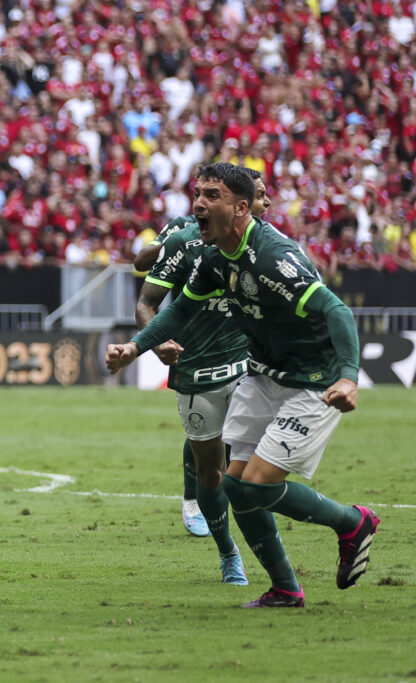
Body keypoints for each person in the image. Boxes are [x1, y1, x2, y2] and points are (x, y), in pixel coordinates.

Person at [107, 163, 379, 608]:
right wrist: (136, 348)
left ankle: (352, 522)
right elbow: (178, 312)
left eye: (211, 195)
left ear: (239, 208)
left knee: (257, 488)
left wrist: (349, 377)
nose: (198, 203)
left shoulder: (274, 257)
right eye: (198, 193)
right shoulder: (213, 255)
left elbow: (338, 313)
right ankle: (286, 588)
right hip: (262, 374)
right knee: (234, 486)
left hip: (313, 381)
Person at [133, 167, 271, 587]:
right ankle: (228, 552)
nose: (200, 202)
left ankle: (276, 564)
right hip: (197, 370)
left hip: (248, 365)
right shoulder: (184, 237)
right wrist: (155, 343)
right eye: (200, 194)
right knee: (211, 466)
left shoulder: (266, 242)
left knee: (254, 469)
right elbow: (148, 300)